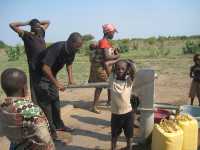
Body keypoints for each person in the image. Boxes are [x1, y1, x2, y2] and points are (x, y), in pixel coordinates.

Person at [34, 32, 83, 136]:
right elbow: (45, 68)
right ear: (70, 42)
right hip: (40, 75)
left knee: (55, 100)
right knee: (46, 103)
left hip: (51, 75)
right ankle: (50, 131)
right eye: (77, 47)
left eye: (79, 48)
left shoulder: (72, 50)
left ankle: (59, 125)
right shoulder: (57, 48)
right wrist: (56, 83)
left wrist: (71, 79)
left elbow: (69, 64)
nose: (77, 50)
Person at [0, 68, 55, 150]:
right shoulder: (31, 109)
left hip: (15, 145)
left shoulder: (2, 107)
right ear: (24, 88)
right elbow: (44, 138)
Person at [9, 18, 50, 104]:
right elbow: (12, 25)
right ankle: (36, 104)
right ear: (32, 28)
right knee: (35, 86)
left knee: (45, 83)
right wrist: (27, 23)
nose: (39, 28)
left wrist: (37, 22)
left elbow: (47, 22)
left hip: (44, 64)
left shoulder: (41, 33)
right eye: (37, 27)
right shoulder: (26, 35)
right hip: (34, 65)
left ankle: (45, 101)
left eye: (39, 26)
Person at [91, 24, 120, 113]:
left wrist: (114, 51)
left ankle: (109, 101)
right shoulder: (104, 42)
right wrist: (118, 56)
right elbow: (107, 57)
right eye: (113, 32)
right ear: (109, 32)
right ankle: (94, 106)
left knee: (109, 83)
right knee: (100, 86)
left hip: (103, 67)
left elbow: (107, 53)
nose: (114, 34)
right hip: (101, 68)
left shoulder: (105, 42)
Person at [109, 59, 136, 150]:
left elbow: (134, 70)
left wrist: (129, 63)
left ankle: (129, 148)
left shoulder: (129, 81)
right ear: (114, 70)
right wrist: (117, 60)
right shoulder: (112, 80)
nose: (120, 71)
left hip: (128, 114)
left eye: (123, 69)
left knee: (129, 136)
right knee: (114, 136)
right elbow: (106, 63)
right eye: (118, 69)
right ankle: (113, 148)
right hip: (115, 115)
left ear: (126, 70)